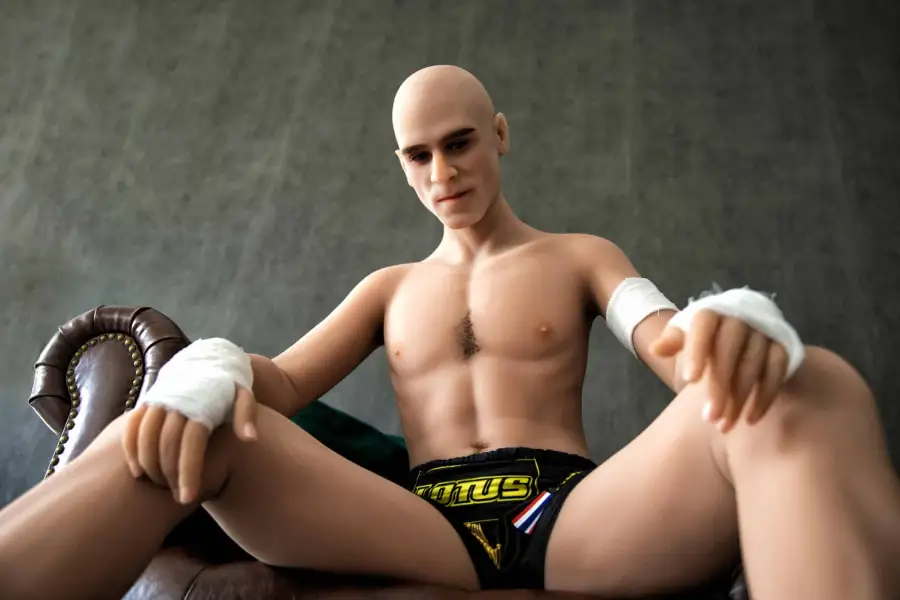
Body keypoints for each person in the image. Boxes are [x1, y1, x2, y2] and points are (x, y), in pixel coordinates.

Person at [1, 65, 899, 600]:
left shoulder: (581, 256)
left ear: (499, 136)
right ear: (400, 165)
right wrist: (209, 371)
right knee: (174, 426)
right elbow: (282, 386)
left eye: (460, 143)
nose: (443, 172)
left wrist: (727, 322)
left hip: (570, 518)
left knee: (809, 382)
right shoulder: (387, 288)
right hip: (424, 526)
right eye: (419, 155)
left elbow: (669, 345)